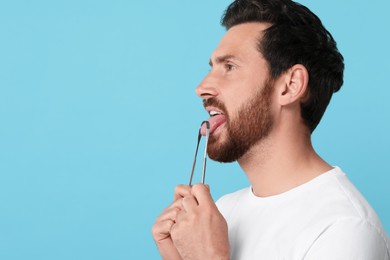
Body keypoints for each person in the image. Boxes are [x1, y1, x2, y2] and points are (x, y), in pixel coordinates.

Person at [152, 0, 390, 259]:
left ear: (290, 86)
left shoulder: (345, 230)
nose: (202, 88)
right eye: (212, 68)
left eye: (229, 67)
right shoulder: (223, 212)